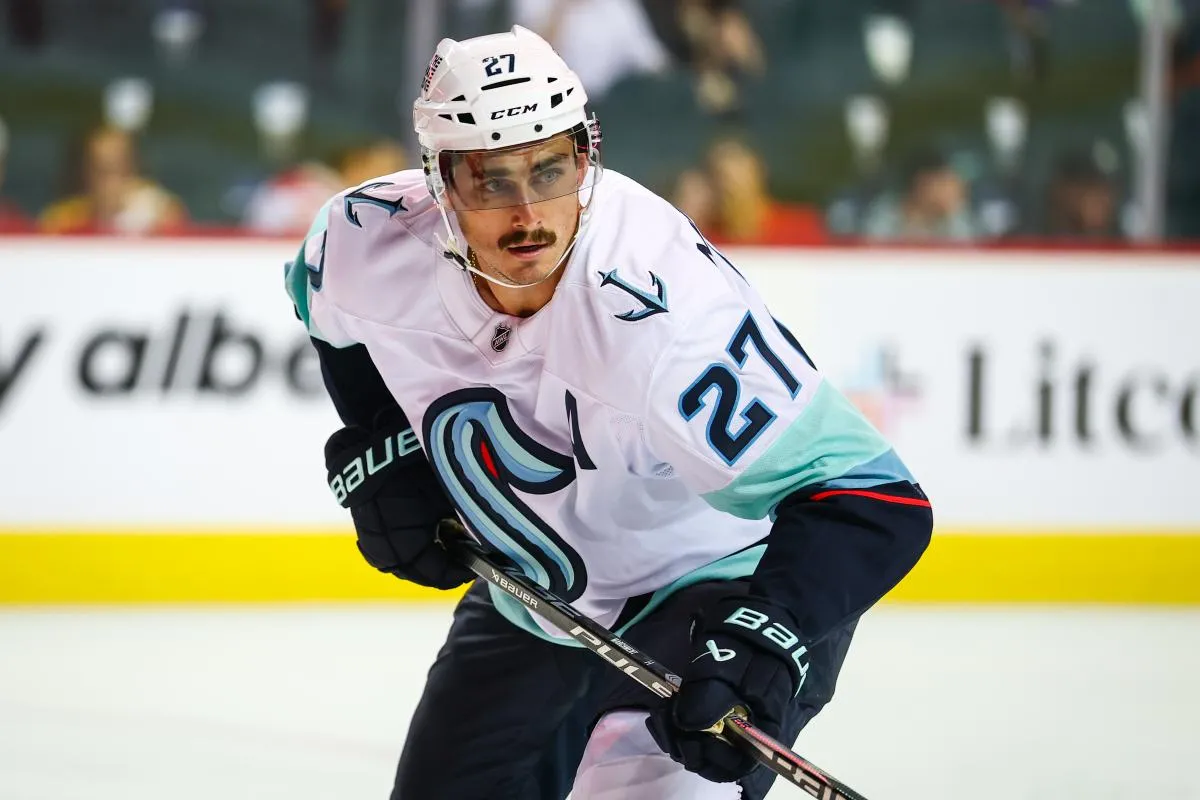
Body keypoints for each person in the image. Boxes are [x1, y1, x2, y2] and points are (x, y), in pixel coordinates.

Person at [284, 25, 932, 799]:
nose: (528, 214)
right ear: (439, 182)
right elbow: (332, 321)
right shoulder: (364, 240)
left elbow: (874, 499)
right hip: (538, 605)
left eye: (549, 170)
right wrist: (384, 444)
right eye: (491, 181)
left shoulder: (661, 316)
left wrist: (771, 635)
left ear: (586, 157)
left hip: (718, 589)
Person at [39, 125, 187, 235]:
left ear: (135, 171)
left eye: (121, 170)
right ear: (85, 174)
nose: (112, 183)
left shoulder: (162, 213)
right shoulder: (63, 220)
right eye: (102, 171)